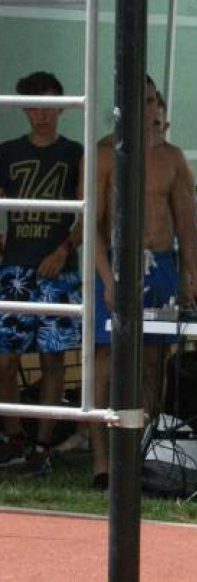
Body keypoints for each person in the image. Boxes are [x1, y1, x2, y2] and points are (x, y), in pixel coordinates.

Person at [89, 76, 197, 488]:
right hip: (118, 260)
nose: (150, 109)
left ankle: (144, 449)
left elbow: (187, 227)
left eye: (153, 101)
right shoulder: (103, 155)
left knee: (155, 359)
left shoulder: (172, 158)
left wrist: (193, 276)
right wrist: (107, 278)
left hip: (162, 266)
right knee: (107, 358)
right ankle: (102, 460)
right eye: (141, 101)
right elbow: (91, 228)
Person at [0, 72, 83, 475]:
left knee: (53, 359)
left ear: (63, 107)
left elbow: (90, 212)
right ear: (23, 109)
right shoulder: (7, 152)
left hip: (57, 268)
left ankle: (43, 446)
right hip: (14, 268)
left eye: (49, 105)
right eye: (34, 106)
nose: (42, 114)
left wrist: (65, 247)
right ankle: (14, 439)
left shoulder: (75, 154)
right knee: (6, 359)